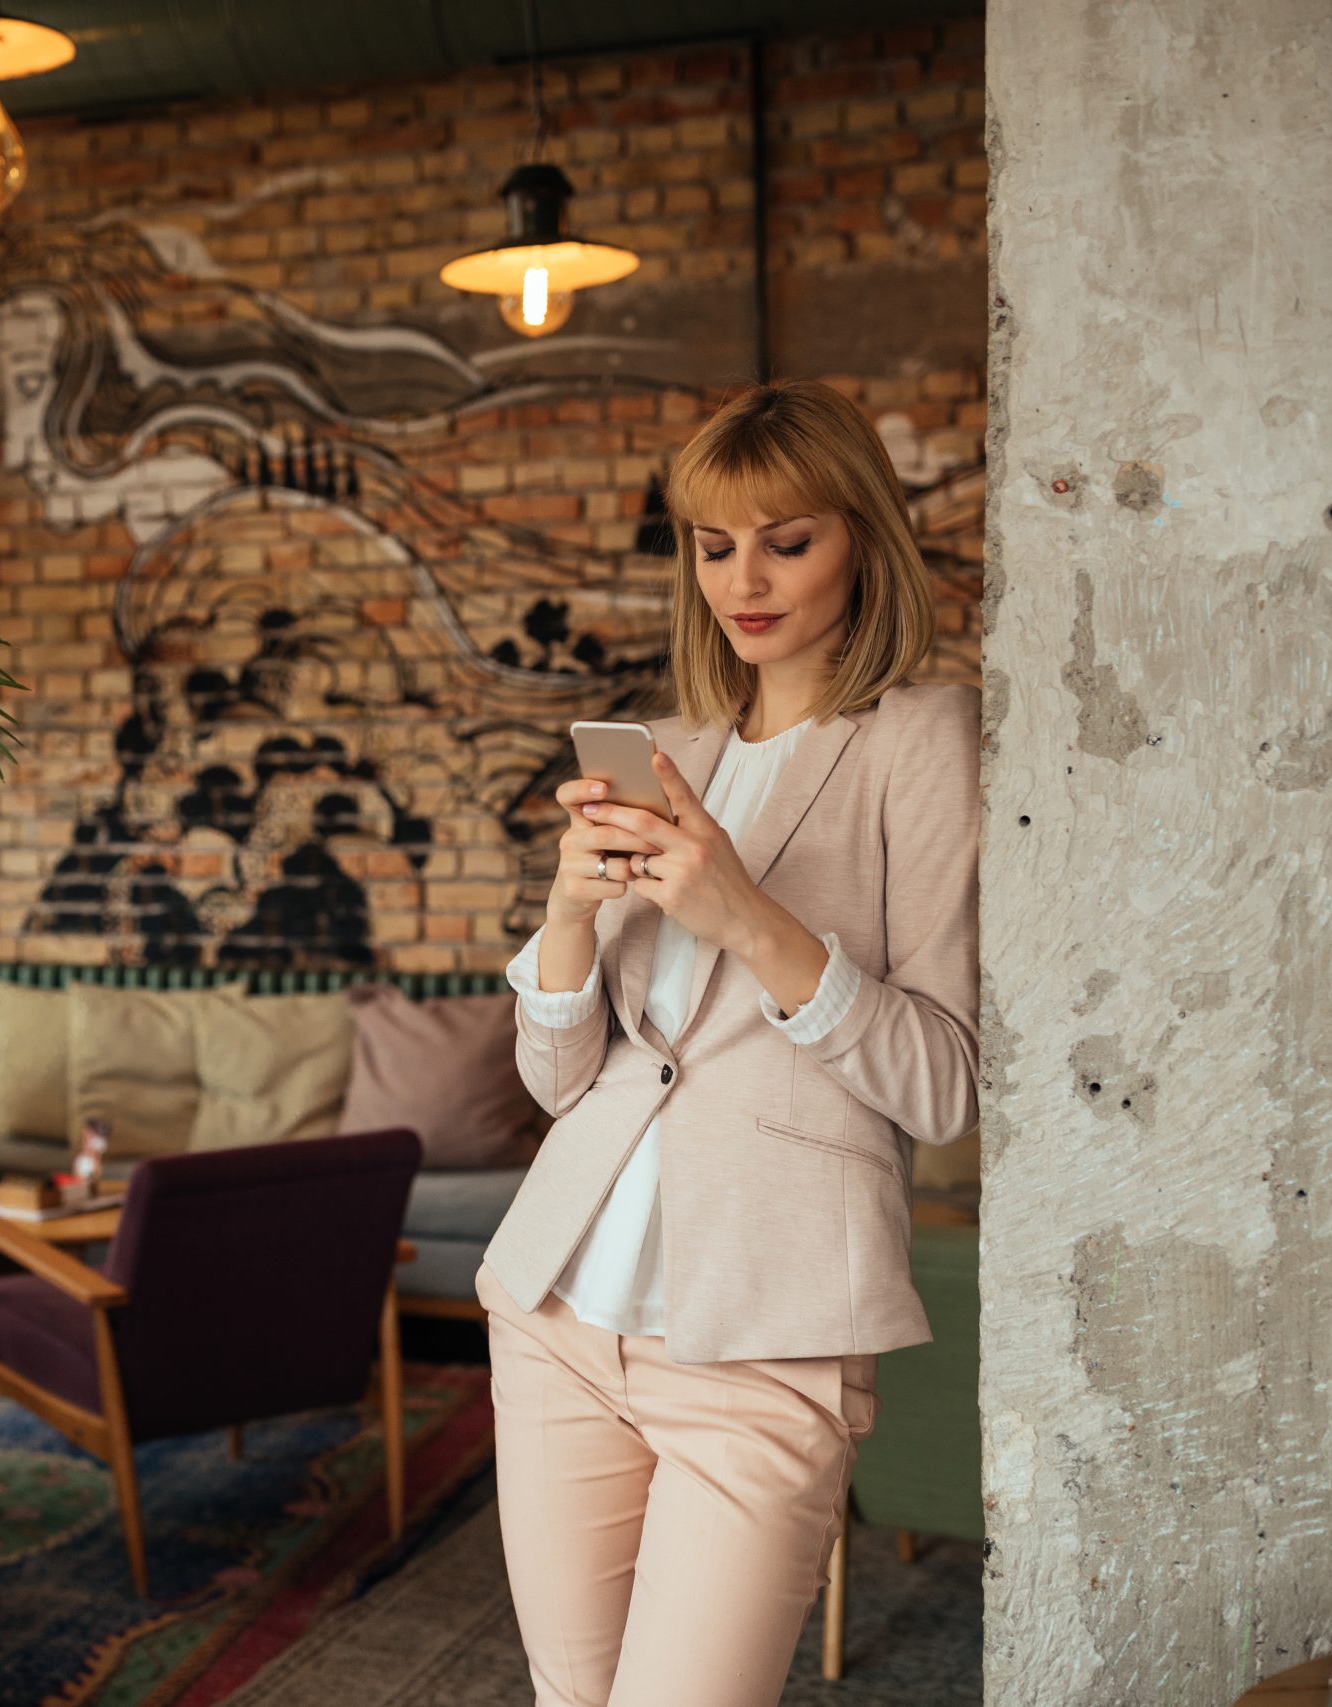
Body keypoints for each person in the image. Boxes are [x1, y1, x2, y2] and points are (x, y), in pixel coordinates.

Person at [474, 379, 982, 1707]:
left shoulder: (923, 740)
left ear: (861, 538)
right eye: (712, 545)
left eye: (787, 539)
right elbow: (558, 1081)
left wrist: (746, 919)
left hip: (768, 1347)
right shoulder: (675, 749)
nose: (743, 579)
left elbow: (945, 1083)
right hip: (560, 1314)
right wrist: (569, 913)